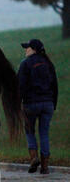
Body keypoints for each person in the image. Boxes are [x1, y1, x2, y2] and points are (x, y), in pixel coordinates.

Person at [18, 39, 58, 174]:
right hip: (48, 103)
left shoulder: (25, 64)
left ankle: (34, 157)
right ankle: (45, 167)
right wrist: (54, 104)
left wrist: (19, 103)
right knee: (44, 133)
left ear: (33, 49)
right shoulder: (48, 63)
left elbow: (20, 86)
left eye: (27, 48)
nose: (25, 50)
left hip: (31, 104)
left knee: (29, 131)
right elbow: (55, 85)